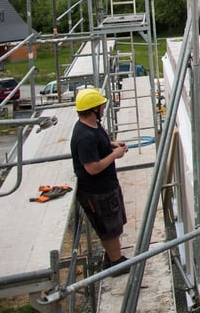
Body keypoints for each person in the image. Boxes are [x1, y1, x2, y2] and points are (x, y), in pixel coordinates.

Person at [70, 89, 129, 270]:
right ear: (94, 109)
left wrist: (112, 144)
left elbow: (100, 139)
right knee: (108, 227)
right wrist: (115, 155)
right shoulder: (84, 137)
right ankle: (116, 263)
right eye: (102, 105)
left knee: (115, 223)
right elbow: (92, 168)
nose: (104, 107)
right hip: (97, 192)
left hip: (106, 186)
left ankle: (112, 256)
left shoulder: (92, 125)